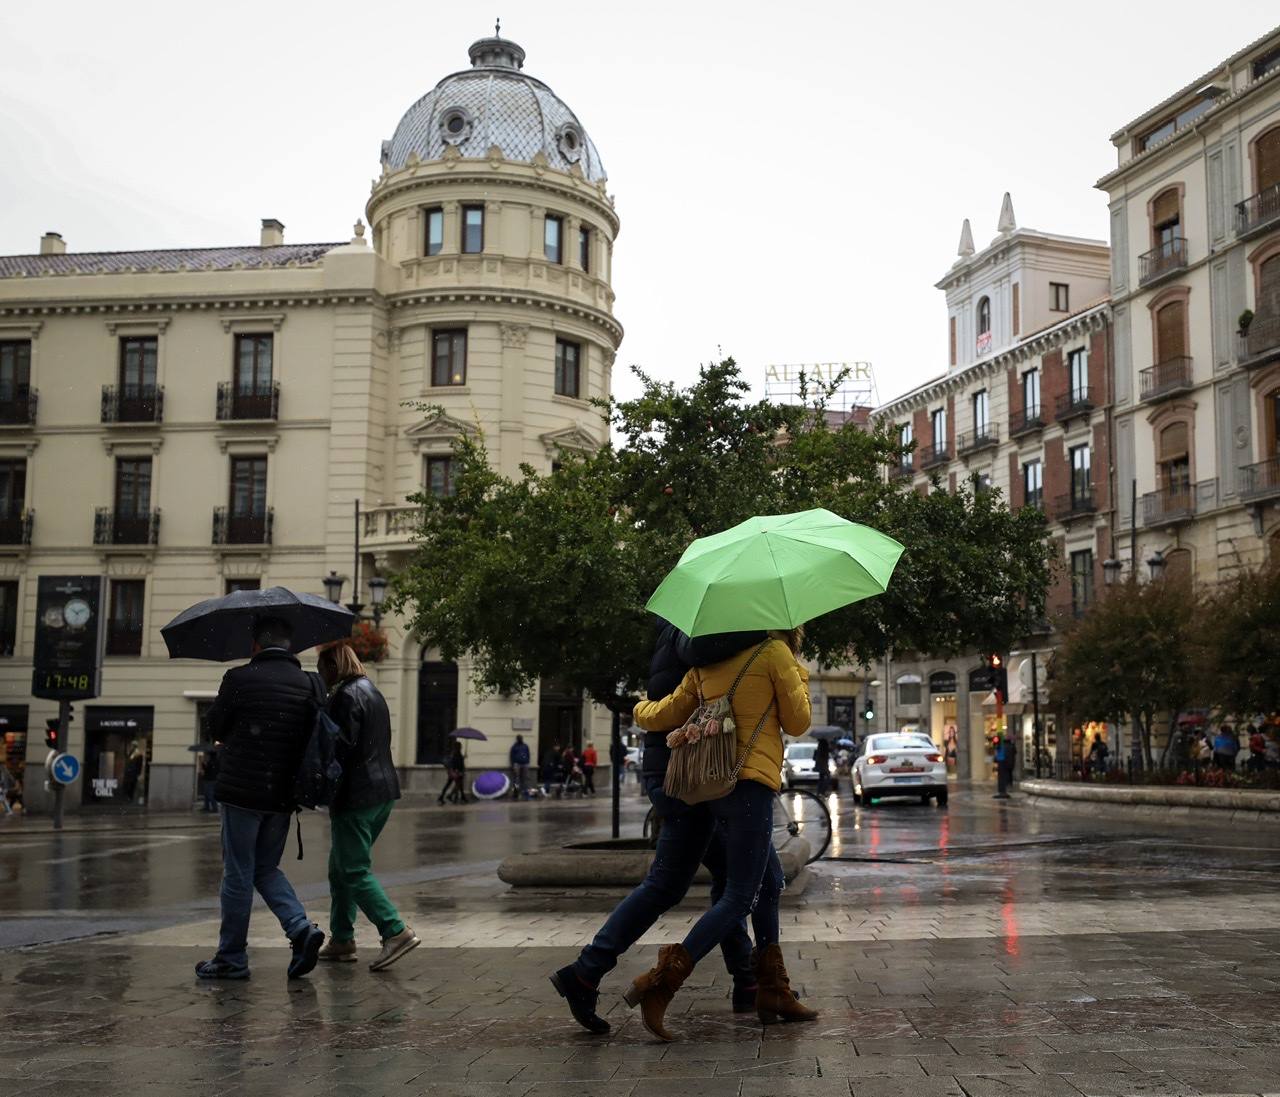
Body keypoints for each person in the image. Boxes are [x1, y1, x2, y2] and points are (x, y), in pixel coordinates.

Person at [551, 620, 785, 1035]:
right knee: (679, 884)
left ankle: (750, 981)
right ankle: (594, 972)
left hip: (683, 769)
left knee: (746, 879)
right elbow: (697, 693)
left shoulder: (681, 630)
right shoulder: (713, 638)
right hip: (699, 773)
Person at [620, 627, 818, 1040]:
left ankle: (773, 990)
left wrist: (637, 710)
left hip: (716, 785)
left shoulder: (705, 662)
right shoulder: (774, 653)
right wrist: (799, 677)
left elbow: (669, 712)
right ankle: (660, 983)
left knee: (771, 881)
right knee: (740, 896)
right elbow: (798, 722)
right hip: (752, 784)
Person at [196, 616, 325, 981]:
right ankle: (300, 927)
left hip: (241, 791)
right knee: (266, 868)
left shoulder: (238, 679)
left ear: (255, 645)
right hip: (283, 794)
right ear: (290, 646)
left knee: (238, 873)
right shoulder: (309, 684)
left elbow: (216, 727)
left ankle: (231, 957)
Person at [314, 642, 420, 972]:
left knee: (353, 870)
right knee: (340, 867)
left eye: (322, 669)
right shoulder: (371, 691)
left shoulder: (345, 696)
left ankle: (395, 931)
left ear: (333, 667)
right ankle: (342, 939)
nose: (321, 676)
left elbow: (339, 749)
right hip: (382, 791)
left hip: (356, 794)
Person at [509, 734, 531, 800]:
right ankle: (516, 792)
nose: (520, 739)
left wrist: (527, 761)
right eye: (519, 738)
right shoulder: (514, 746)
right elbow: (511, 756)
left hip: (525, 764)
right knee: (517, 778)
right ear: (517, 739)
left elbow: (528, 754)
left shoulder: (525, 746)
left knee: (525, 778)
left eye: (521, 738)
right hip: (517, 764)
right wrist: (513, 764)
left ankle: (525, 792)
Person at [994, 733, 1016, 798]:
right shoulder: (1010, 746)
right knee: (1007, 775)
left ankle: (1003, 791)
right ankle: (1006, 788)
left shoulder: (1002, 746)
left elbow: (997, 751)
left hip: (1003, 762)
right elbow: (1014, 754)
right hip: (1007, 763)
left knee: (1002, 776)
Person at [200, 746, 220, 812]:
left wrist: (202, 763)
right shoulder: (215, 761)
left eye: (208, 754)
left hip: (209, 780)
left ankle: (214, 808)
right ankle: (207, 807)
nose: (207, 755)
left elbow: (207, 770)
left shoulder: (212, 762)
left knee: (209, 794)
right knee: (206, 794)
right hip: (212, 779)